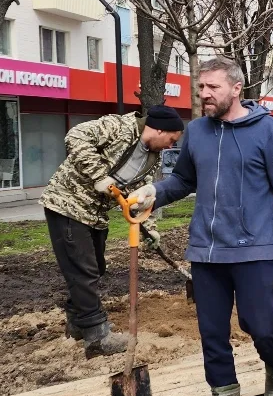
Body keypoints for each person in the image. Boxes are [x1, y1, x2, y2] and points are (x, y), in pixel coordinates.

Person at [130, 56, 273, 396]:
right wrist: (153, 192)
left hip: (255, 249)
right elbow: (183, 180)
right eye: (201, 87)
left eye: (213, 87)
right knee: (212, 334)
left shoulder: (266, 130)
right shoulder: (197, 131)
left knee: (259, 325)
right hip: (206, 252)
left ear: (236, 89)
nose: (204, 94)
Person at [39, 105, 184, 358]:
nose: (170, 146)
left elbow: (138, 196)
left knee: (96, 267)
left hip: (95, 214)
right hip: (68, 204)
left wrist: (149, 228)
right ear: (159, 129)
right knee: (83, 270)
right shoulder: (119, 127)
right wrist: (99, 176)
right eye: (171, 140)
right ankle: (96, 335)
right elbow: (75, 136)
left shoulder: (152, 158)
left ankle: (77, 324)